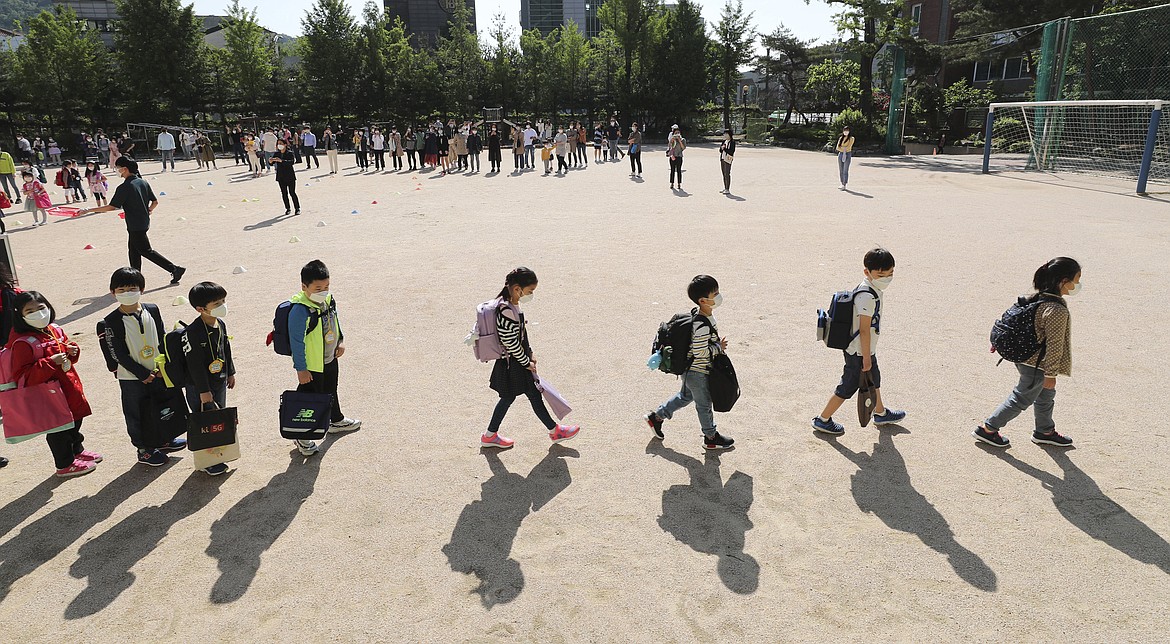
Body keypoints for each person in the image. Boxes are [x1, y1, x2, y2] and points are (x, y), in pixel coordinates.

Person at [973, 258, 1080, 448]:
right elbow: (1055, 345)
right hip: (1037, 363)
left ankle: (1044, 430)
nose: (1077, 285)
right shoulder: (1056, 309)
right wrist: (1050, 374)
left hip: (1025, 357)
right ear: (1063, 281)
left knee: (1046, 395)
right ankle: (988, 429)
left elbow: (1009, 321)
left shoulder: (1034, 298)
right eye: (1076, 280)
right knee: (1022, 397)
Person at [480, 267, 581, 449]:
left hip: (513, 362)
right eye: (530, 291)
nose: (531, 295)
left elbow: (521, 335)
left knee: (517, 397)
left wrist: (530, 353)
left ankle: (490, 435)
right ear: (518, 288)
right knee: (529, 395)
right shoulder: (506, 310)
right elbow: (510, 342)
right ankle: (554, 431)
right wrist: (526, 361)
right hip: (514, 363)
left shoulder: (510, 304)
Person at [7, 291, 102, 478]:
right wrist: (51, 362)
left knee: (75, 421)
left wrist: (71, 350)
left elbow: (65, 354)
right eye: (30, 311)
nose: (38, 313)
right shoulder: (22, 343)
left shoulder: (53, 329)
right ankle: (64, 464)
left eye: (41, 308)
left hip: (68, 387)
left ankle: (77, 450)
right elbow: (23, 376)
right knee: (59, 430)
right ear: (20, 315)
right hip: (49, 394)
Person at [812, 247, 906, 436]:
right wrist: (866, 357)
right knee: (848, 386)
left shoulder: (871, 287)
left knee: (874, 380)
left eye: (890, 273)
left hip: (864, 350)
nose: (886, 277)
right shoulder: (867, 296)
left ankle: (880, 412)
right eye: (881, 274)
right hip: (859, 352)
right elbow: (864, 329)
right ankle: (823, 419)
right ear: (867, 272)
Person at [103, 267, 188, 466]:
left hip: (158, 372)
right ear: (112, 292)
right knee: (137, 412)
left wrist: (162, 365)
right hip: (132, 378)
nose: (127, 293)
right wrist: (141, 373)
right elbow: (118, 353)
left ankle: (163, 439)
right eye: (121, 290)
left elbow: (162, 338)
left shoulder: (152, 309)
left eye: (132, 288)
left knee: (162, 404)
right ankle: (143, 449)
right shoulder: (111, 321)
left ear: (142, 289)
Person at [644, 275, 736, 450]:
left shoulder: (700, 315)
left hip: (690, 370)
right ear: (702, 300)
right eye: (714, 294)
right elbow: (699, 351)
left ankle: (656, 417)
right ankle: (710, 436)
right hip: (698, 372)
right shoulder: (701, 324)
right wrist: (718, 347)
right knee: (704, 404)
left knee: (685, 396)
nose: (718, 296)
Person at [286, 259, 361, 456]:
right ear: (304, 287)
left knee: (330, 390)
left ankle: (335, 420)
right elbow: (296, 342)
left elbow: (334, 321)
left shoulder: (327, 300)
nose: (324, 291)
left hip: (329, 357)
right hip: (312, 365)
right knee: (308, 398)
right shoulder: (299, 311)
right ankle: (300, 436)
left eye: (327, 286)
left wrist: (340, 340)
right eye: (318, 287)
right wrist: (301, 369)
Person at [78, 157, 187, 285]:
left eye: (118, 168)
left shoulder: (124, 187)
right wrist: (148, 211)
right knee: (134, 251)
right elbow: (155, 202)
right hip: (142, 222)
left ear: (125, 169)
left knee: (146, 251)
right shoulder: (142, 182)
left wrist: (89, 210)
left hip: (135, 225)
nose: (117, 171)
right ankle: (135, 278)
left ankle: (174, 269)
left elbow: (112, 206)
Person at [184, 281, 236, 475]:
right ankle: (206, 461)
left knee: (218, 418)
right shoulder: (193, 332)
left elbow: (226, 349)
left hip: (219, 380)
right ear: (200, 309)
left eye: (223, 300)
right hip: (199, 386)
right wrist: (204, 392)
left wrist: (230, 372)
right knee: (203, 422)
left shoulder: (220, 323)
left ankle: (218, 454)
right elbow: (194, 366)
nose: (222, 306)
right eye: (216, 303)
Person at [269, 138, 301, 215]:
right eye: (278, 144)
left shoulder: (289, 153)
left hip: (290, 176)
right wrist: (270, 161)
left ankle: (297, 208)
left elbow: (291, 162)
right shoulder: (277, 153)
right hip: (281, 176)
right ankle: (288, 208)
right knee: (284, 193)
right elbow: (272, 163)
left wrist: (281, 161)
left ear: (285, 145)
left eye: (281, 143)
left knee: (292, 192)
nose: (279, 145)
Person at [667, 124, 686, 190]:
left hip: (679, 156)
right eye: (675, 133)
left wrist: (679, 140)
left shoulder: (683, 139)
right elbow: (669, 147)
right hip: (673, 156)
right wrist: (671, 140)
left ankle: (679, 183)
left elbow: (683, 148)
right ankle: (672, 183)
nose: (677, 134)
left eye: (678, 133)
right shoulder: (672, 139)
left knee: (679, 170)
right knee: (672, 170)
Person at [719, 129, 736, 195]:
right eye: (724, 134)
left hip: (728, 159)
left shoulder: (732, 142)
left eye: (726, 134)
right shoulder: (724, 141)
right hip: (722, 158)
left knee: (727, 173)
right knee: (723, 173)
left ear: (729, 135)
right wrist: (721, 148)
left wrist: (725, 149)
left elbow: (731, 151)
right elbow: (720, 150)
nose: (725, 135)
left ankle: (727, 189)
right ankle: (725, 187)